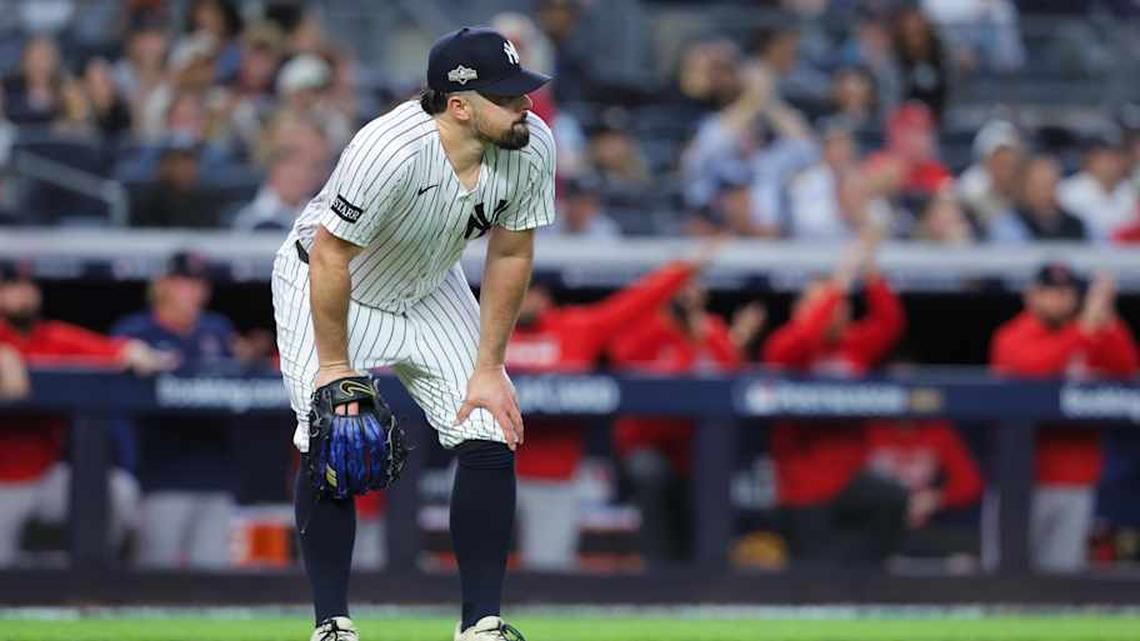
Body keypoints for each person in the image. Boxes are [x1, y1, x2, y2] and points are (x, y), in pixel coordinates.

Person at [270, 27, 555, 641]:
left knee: (489, 426)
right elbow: (330, 257)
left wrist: (489, 365)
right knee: (335, 432)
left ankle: (480, 624)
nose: (523, 106)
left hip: (428, 284)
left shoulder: (531, 147)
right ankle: (331, 624)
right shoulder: (389, 148)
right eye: (505, 97)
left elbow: (510, 254)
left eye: (522, 92)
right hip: (329, 282)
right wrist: (334, 367)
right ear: (458, 105)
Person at [508, 253, 717, 570]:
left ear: (544, 296)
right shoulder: (487, 330)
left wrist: (682, 268)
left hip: (553, 477)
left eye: (528, 290)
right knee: (475, 570)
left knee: (546, 576)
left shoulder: (576, 327)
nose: (520, 298)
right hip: (490, 468)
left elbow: (635, 302)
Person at [0, 260, 173, 567]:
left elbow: (112, 350)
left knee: (119, 494)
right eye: (12, 287)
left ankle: (96, 582)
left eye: (28, 286)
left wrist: (132, 351)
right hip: (4, 483)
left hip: (45, 475)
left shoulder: (51, 336)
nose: (23, 294)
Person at [761, 231, 907, 564]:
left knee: (892, 500)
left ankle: (866, 580)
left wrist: (870, 272)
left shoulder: (852, 344)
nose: (834, 311)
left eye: (840, 305)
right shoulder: (784, 345)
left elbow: (889, 323)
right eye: (823, 304)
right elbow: (807, 335)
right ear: (802, 310)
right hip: (803, 485)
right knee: (813, 578)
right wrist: (839, 282)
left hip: (849, 477)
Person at [990, 263, 1138, 571]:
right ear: (1030, 295)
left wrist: (1107, 318)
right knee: (1003, 580)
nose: (1058, 300)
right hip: (1019, 479)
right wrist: (1084, 328)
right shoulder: (1012, 335)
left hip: (1074, 477)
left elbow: (1126, 368)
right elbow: (1035, 369)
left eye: (1066, 293)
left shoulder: (1090, 333)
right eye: (1050, 292)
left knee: (1061, 582)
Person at [609, 284, 764, 563]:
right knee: (649, 471)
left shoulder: (709, 328)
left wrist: (700, 332)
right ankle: (656, 565)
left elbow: (730, 369)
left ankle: (704, 568)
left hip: (694, 446)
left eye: (694, 288)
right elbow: (624, 358)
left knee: (712, 469)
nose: (689, 294)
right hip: (649, 442)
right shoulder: (644, 327)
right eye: (682, 288)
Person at [111, 251, 245, 568]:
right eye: (183, 283)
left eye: (198, 284)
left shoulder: (217, 330)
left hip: (216, 475)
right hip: (159, 476)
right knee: (156, 576)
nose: (193, 292)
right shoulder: (136, 332)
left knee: (214, 575)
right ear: (162, 286)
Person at [1057, 133, 1137, 242]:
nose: (1112, 164)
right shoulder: (1070, 190)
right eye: (1104, 158)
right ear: (1089, 160)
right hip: (1082, 254)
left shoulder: (1129, 191)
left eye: (1116, 157)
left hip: (1124, 256)